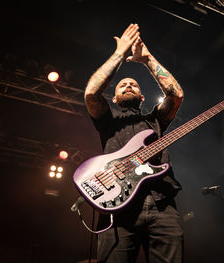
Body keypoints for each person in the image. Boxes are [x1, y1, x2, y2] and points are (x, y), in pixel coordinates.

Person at [84, 23, 184, 263]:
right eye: (122, 85)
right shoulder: (108, 121)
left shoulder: (155, 119)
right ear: (115, 98)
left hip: (162, 205)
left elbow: (176, 95)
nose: (128, 84)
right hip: (117, 207)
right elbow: (91, 94)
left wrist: (147, 58)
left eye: (134, 85)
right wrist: (120, 54)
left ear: (142, 97)